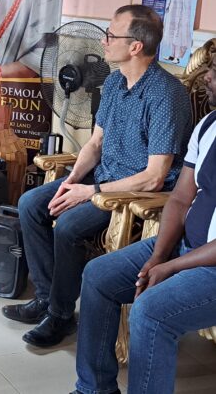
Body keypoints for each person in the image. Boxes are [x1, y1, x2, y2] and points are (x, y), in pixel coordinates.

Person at [2, 4, 192, 348]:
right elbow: (96, 141)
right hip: (102, 178)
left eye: (111, 34)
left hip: (133, 194)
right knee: (31, 203)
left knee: (71, 226)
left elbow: (154, 175)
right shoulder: (117, 80)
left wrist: (90, 193)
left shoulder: (166, 94)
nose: (103, 41)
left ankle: (61, 317)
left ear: (135, 46)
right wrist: (73, 180)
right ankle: (47, 300)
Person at [71, 51, 216, 394]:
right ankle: (94, 389)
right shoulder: (209, 124)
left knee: (150, 312)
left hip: (208, 265)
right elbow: (181, 198)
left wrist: (172, 266)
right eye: (209, 67)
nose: (207, 77)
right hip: (186, 247)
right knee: (99, 276)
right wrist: (158, 256)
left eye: (215, 70)